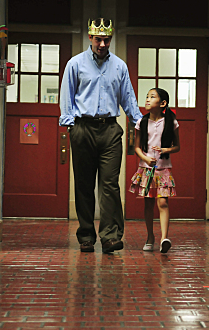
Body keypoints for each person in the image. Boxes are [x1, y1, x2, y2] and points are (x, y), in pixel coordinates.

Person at [59, 18, 143, 253]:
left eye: (107, 39)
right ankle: (86, 236)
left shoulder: (119, 66)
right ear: (90, 38)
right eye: (98, 39)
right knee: (84, 185)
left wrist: (140, 124)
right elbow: (67, 95)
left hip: (110, 129)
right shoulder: (75, 64)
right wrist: (71, 126)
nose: (103, 44)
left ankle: (110, 237)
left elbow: (128, 98)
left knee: (110, 185)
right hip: (83, 128)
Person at [129, 88, 180, 253]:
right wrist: (145, 158)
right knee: (149, 204)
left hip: (164, 169)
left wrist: (166, 150)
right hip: (146, 170)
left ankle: (164, 238)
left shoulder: (171, 122)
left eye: (152, 97)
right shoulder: (141, 122)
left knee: (163, 202)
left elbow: (177, 146)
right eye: (147, 96)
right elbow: (136, 147)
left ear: (163, 103)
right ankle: (150, 237)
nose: (148, 99)